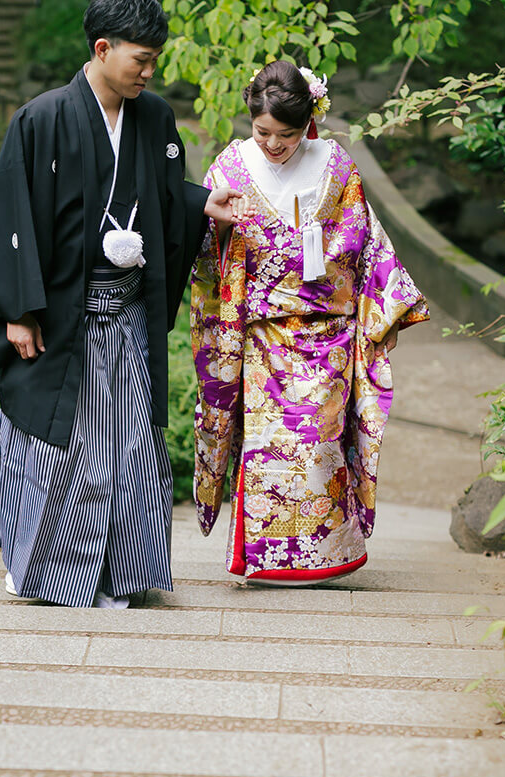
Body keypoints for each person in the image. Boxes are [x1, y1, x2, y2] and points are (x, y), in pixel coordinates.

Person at [0, 0, 244, 608]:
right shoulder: (41, 118)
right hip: (61, 318)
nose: (148, 73)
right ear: (102, 50)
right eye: (141, 60)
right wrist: (17, 309)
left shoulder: (154, 117)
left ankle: (121, 575)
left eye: (153, 61)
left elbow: (164, 194)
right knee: (58, 449)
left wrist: (202, 203)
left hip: (127, 315)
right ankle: (41, 571)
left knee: (127, 449)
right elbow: (13, 217)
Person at [190, 60, 429, 585]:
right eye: (263, 132)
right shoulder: (230, 168)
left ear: (309, 122)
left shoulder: (337, 165)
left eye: (288, 134)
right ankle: (266, 554)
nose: (274, 144)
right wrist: (218, 229)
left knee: (320, 440)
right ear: (250, 120)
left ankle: (324, 554)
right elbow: (208, 254)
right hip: (259, 334)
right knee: (268, 444)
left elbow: (362, 240)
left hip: (327, 332)